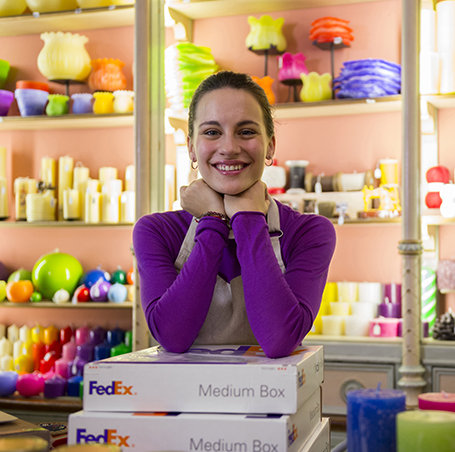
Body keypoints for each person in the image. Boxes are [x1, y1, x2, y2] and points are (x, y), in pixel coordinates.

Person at [133, 71, 337, 358]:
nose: (229, 148)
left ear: (270, 146)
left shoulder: (309, 233)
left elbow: (278, 339)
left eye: (246, 131)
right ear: (191, 148)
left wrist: (248, 218)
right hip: (185, 401)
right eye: (212, 132)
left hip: (270, 400)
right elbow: (172, 336)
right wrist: (213, 220)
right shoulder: (156, 232)